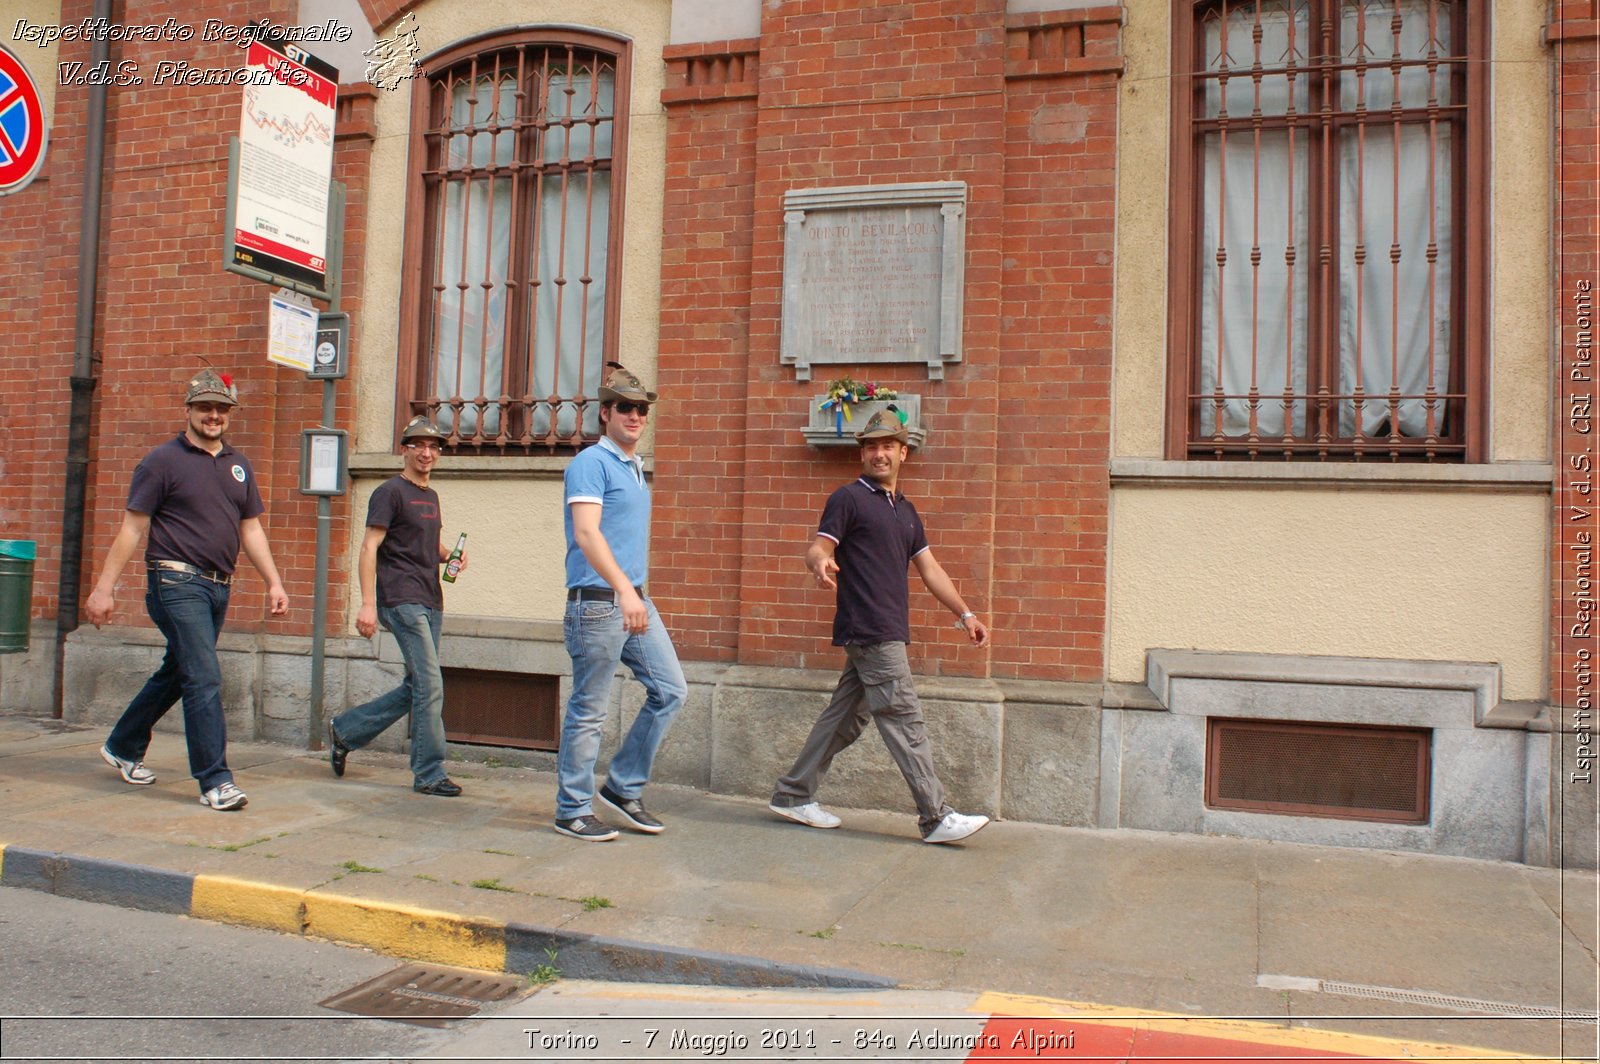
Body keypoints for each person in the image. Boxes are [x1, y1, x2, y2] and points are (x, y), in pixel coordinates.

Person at [770, 408, 992, 844]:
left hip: (885, 626)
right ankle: (935, 816)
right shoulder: (848, 498)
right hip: (870, 626)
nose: (878, 454)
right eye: (871, 446)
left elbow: (930, 570)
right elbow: (818, 547)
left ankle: (793, 794)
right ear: (863, 454)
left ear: (903, 452)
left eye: (887, 446)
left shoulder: (905, 511)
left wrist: (966, 614)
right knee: (902, 715)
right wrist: (820, 563)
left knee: (846, 719)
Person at [88, 368, 289, 812]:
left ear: (229, 414)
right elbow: (132, 528)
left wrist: (273, 581)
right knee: (203, 676)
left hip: (219, 586)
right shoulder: (162, 461)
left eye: (221, 408)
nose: (214, 415)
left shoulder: (239, 465)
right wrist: (105, 589)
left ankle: (122, 744)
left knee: (178, 672)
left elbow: (250, 529)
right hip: (175, 580)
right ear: (189, 410)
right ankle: (215, 780)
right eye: (205, 407)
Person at [554, 361, 687, 841]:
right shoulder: (592, 462)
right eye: (626, 409)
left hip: (632, 603)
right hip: (597, 605)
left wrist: (633, 594)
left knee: (671, 690)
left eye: (642, 410)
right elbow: (587, 535)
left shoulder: (632, 467)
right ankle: (571, 809)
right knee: (589, 710)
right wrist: (626, 590)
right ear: (605, 414)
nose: (635, 417)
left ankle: (621, 788)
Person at [326, 415, 466, 797]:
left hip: (430, 598)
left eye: (433, 446)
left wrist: (450, 554)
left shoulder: (430, 497)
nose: (426, 452)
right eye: (418, 445)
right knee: (431, 683)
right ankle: (429, 772)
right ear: (404, 449)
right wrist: (367, 604)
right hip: (400, 599)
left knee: (419, 685)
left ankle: (346, 731)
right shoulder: (389, 492)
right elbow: (370, 546)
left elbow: (425, 544)